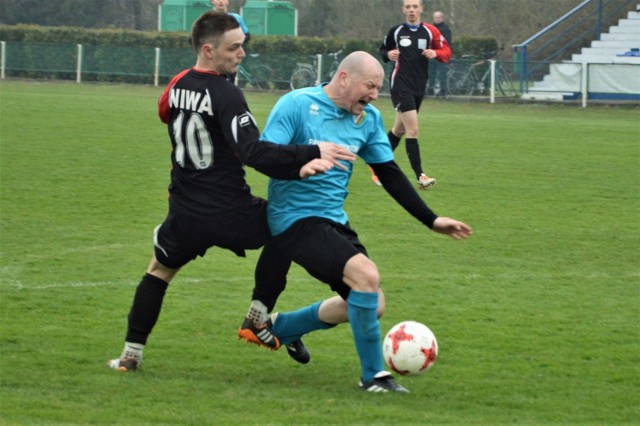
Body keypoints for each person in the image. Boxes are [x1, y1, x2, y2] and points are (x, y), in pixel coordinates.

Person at [107, 11, 355, 372]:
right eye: (234, 48)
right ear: (208, 50)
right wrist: (311, 152)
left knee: (158, 272)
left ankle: (131, 355)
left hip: (185, 212)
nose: (241, 54)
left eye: (243, 46)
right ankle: (260, 315)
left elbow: (166, 115)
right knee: (288, 224)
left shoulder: (176, 85)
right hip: (229, 211)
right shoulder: (227, 94)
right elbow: (253, 152)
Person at [237, 51, 472, 393]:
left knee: (371, 303)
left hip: (333, 219)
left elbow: (389, 174)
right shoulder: (297, 104)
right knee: (366, 276)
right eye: (371, 86)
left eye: (379, 88)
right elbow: (264, 156)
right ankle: (374, 377)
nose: (376, 95)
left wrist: (431, 220)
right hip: (292, 219)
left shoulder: (370, 119)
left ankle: (282, 328)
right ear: (344, 78)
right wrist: (302, 162)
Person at [371, 0, 451, 190]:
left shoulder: (431, 31)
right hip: (400, 84)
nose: (412, 10)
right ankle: (420, 175)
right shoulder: (396, 31)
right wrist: (388, 54)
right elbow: (382, 50)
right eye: (408, 7)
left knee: (398, 130)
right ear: (403, 10)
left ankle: (376, 166)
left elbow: (447, 52)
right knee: (412, 130)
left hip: (419, 86)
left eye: (415, 6)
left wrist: (436, 53)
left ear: (421, 9)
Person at [211, 0, 250, 84]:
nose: (220, 1)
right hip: (213, 60)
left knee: (229, 85)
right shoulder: (208, 20)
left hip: (230, 61)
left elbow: (247, 36)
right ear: (212, 1)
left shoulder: (235, 18)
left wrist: (233, 44)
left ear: (228, 2)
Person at [427, 11, 452, 97]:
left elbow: (447, 42)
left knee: (442, 73)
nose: (437, 19)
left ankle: (443, 90)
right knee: (431, 73)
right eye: (435, 18)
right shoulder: (430, 28)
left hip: (441, 54)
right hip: (431, 54)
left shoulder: (446, 29)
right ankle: (430, 89)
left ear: (442, 18)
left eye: (438, 18)